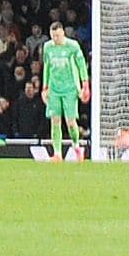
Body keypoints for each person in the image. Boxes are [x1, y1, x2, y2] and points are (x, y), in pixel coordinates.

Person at [39, 21, 89, 161]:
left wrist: (85, 84)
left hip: (70, 88)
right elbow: (47, 67)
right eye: (53, 36)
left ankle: (76, 145)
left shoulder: (72, 46)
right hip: (54, 88)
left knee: (70, 122)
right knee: (55, 120)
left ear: (63, 34)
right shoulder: (48, 47)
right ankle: (57, 154)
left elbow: (81, 66)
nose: (55, 39)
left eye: (57, 36)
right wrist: (45, 87)